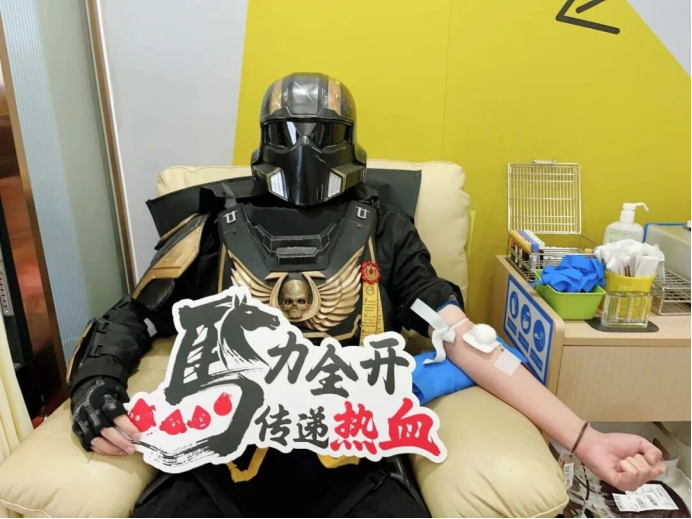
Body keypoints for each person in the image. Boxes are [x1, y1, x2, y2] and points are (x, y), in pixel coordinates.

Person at [69, 73, 665, 518]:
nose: (304, 150)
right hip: (219, 457)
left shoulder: (384, 227)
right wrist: (94, 384)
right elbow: (132, 317)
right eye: (288, 134)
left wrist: (584, 438)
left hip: (354, 462)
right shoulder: (214, 224)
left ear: (346, 139)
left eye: (321, 134)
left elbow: (461, 336)